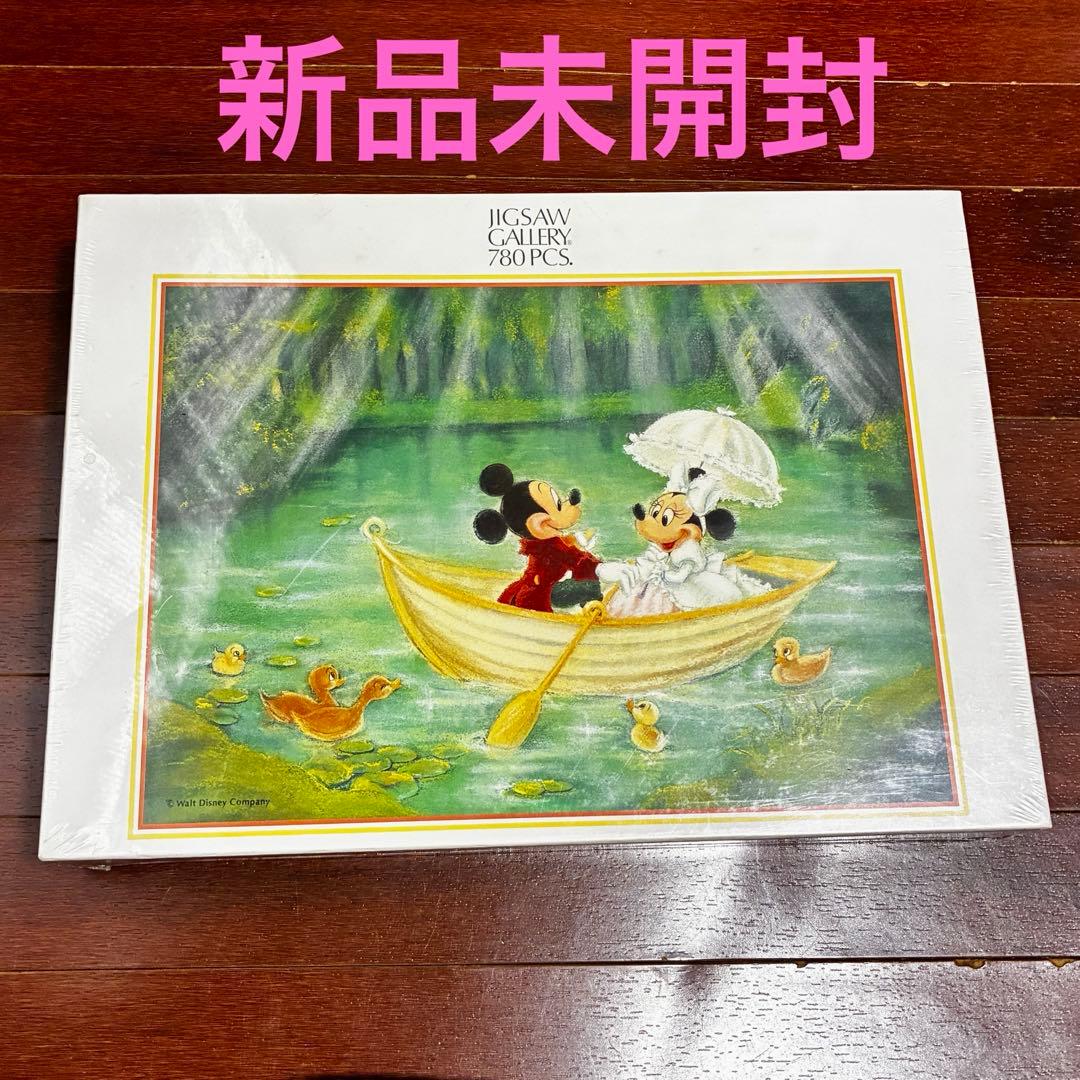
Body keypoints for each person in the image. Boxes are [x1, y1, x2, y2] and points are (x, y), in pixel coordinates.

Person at [597, 463, 770, 618]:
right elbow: (648, 562)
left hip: (681, 586)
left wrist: (668, 575)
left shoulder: (688, 550)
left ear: (691, 530)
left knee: (674, 603)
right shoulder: (659, 548)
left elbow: (682, 573)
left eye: (665, 519)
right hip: (656, 584)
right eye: (655, 513)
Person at [472, 463, 600, 613]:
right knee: (591, 586)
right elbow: (577, 560)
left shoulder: (544, 543)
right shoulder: (551, 546)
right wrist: (601, 568)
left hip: (535, 589)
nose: (569, 504)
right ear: (539, 523)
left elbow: (570, 550)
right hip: (539, 597)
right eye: (558, 506)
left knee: (587, 583)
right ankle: (592, 606)